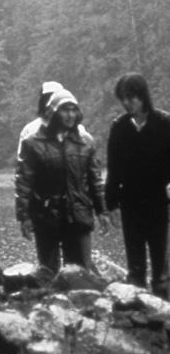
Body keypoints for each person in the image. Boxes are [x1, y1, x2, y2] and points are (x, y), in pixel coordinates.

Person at [15, 88, 109, 274]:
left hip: (78, 214)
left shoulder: (86, 142)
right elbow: (24, 183)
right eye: (65, 110)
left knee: (80, 273)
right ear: (53, 113)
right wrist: (24, 216)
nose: (70, 115)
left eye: (74, 110)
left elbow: (94, 182)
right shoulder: (33, 144)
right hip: (46, 216)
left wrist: (102, 211)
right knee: (48, 272)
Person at [105, 73, 170, 299]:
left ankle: (163, 307)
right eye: (123, 98)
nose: (127, 103)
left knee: (160, 259)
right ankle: (136, 305)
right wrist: (110, 203)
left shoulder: (164, 123)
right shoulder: (119, 127)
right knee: (135, 263)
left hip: (159, 200)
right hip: (130, 201)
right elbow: (113, 169)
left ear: (143, 96)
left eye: (131, 98)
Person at [17, 81, 64, 158]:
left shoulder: (75, 130)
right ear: (42, 102)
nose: (51, 104)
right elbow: (22, 163)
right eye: (48, 99)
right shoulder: (30, 129)